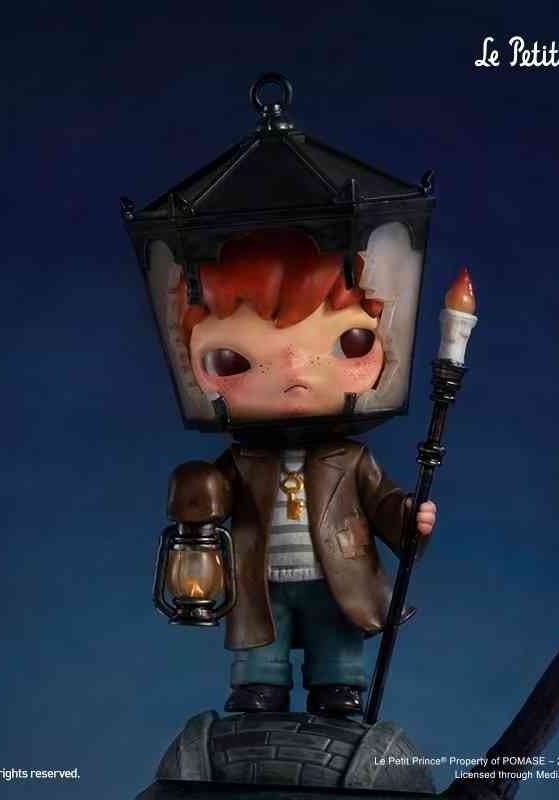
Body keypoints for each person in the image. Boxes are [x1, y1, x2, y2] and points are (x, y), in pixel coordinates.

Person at [167, 229, 436, 716]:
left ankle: (338, 684)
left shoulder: (350, 459)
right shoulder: (243, 461)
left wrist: (409, 518)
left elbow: (381, 502)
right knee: (261, 638)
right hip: (261, 575)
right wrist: (199, 496)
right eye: (232, 359)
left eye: (349, 343)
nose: (294, 369)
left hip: (335, 574)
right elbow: (210, 505)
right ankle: (260, 683)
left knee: (335, 634)